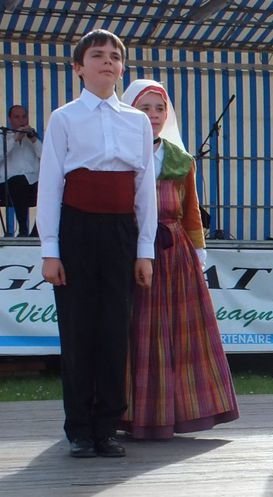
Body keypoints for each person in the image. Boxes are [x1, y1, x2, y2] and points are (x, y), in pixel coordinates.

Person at [38, 29, 157, 458]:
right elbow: (50, 184)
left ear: (122, 67)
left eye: (115, 56)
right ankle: (79, 429)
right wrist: (50, 249)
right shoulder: (64, 118)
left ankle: (107, 425)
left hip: (120, 232)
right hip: (77, 230)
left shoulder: (137, 120)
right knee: (78, 329)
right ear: (78, 67)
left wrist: (144, 252)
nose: (107, 61)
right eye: (97, 55)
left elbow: (144, 189)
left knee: (113, 330)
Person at [120, 79, 239, 439]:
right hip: (132, 252)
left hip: (175, 256)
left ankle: (180, 412)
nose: (154, 115)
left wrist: (198, 257)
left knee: (179, 336)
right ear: (130, 111)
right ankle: (131, 414)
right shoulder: (118, 154)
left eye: (160, 109)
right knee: (136, 333)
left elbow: (191, 214)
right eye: (146, 108)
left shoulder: (180, 158)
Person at [0, 104, 41, 236]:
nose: (21, 120)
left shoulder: (33, 139)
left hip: (31, 184)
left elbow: (47, 159)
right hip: (6, 187)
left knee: (53, 188)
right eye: (17, 117)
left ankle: (36, 232)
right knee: (18, 181)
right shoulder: (3, 137)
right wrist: (14, 139)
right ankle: (23, 229)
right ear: (10, 119)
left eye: (24, 117)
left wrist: (34, 140)